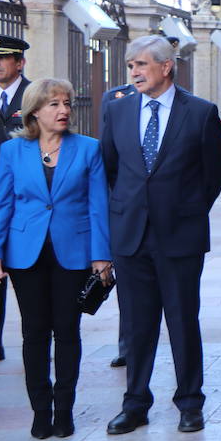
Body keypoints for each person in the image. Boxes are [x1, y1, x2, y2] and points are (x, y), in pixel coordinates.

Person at [99, 36, 221, 435]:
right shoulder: (117, 111)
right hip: (132, 235)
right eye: (131, 66)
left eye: (141, 65)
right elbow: (111, 169)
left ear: (166, 67)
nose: (134, 72)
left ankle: (190, 402)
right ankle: (135, 402)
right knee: (137, 324)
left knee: (183, 320)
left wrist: (186, 209)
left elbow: (214, 173)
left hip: (180, 235)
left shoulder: (200, 112)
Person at [0, 78, 110, 438]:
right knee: (34, 333)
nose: (63, 111)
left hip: (72, 253)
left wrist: (101, 256)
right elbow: (1, 204)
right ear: (35, 111)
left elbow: (98, 206)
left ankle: (64, 409)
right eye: (54, 104)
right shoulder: (13, 151)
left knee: (67, 331)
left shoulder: (88, 149)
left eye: (67, 104)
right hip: (25, 254)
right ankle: (40, 410)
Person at [0, 33, 29, 363]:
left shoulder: (36, 97)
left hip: (27, 201)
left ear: (20, 62)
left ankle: (39, 335)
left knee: (30, 275)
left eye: (2, 58)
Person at [100, 80, 137, 369]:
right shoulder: (114, 99)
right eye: (132, 65)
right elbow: (109, 157)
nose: (136, 71)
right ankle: (128, 345)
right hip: (127, 209)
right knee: (128, 284)